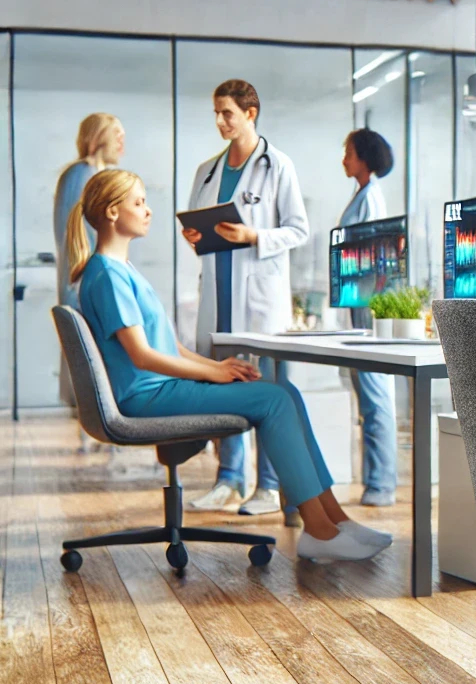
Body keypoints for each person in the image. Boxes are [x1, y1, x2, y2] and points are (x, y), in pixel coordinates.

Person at [68, 169, 388, 561]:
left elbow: (171, 346)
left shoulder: (123, 270)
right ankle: (318, 531)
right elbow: (142, 356)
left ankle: (336, 519)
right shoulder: (106, 275)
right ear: (113, 212)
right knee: (272, 401)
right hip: (145, 397)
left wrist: (220, 367)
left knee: (283, 391)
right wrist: (213, 373)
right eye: (139, 203)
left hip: (159, 390)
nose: (149, 211)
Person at [181, 80, 310, 517]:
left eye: (228, 113)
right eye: (216, 113)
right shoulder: (207, 171)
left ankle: (269, 487)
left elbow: (298, 229)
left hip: (259, 298)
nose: (220, 121)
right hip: (218, 290)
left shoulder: (278, 166)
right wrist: (193, 235)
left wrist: (255, 235)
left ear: (251, 113)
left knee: (267, 389)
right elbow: (199, 226)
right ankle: (229, 480)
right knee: (224, 383)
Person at [339, 128, 397, 506]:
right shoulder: (361, 195)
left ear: (363, 157)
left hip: (369, 301)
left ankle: (382, 484)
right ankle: (376, 481)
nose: (344, 159)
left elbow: (374, 252)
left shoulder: (371, 197)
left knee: (376, 394)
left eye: (348, 152)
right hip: (358, 301)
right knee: (368, 393)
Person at [54, 113, 126, 409]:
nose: (122, 144)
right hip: (83, 283)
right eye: (117, 136)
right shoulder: (81, 175)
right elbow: (75, 236)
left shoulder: (88, 176)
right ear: (98, 138)